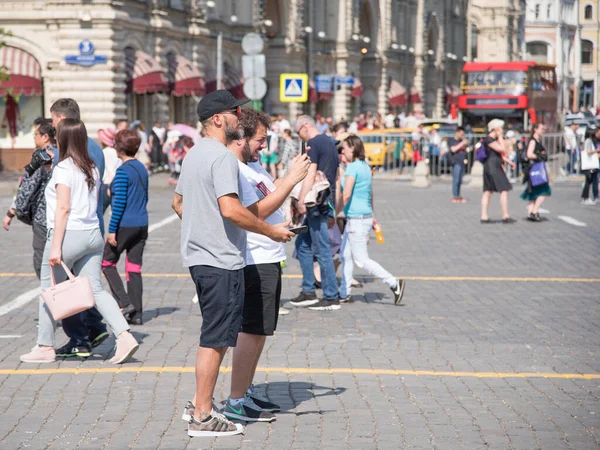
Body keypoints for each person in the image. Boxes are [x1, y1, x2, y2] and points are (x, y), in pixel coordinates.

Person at [171, 90, 294, 437]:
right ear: (218, 119)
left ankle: (200, 407)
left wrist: (202, 225)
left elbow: (178, 204)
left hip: (201, 256)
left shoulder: (194, 154)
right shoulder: (222, 158)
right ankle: (202, 416)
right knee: (216, 338)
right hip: (220, 259)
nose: (241, 117)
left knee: (216, 335)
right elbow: (231, 209)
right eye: (236, 112)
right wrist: (269, 230)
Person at [20, 119, 139, 364]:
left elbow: (63, 208)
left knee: (49, 288)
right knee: (95, 288)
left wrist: (55, 246)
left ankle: (44, 346)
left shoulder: (64, 168)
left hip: (68, 234)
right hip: (92, 233)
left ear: (62, 139)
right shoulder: (91, 167)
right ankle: (124, 335)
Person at [217, 108, 310, 423]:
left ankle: (244, 391)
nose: (264, 146)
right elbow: (252, 212)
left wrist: (285, 215)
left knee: (260, 331)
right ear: (241, 136)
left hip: (269, 254)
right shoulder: (236, 169)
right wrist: (289, 180)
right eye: (260, 140)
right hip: (253, 257)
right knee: (252, 330)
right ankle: (235, 400)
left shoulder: (252, 166)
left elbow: (268, 204)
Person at [45, 98, 109, 358]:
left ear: (61, 120)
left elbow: (64, 204)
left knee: (64, 285)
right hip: (94, 225)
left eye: (52, 120)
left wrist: (56, 243)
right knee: (86, 283)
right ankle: (95, 328)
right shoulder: (97, 149)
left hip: (72, 228)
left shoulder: (67, 151)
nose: (52, 126)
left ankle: (78, 338)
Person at [338, 135, 405, 305]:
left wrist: (333, 213)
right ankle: (344, 293)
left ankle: (393, 283)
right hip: (362, 216)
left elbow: (346, 195)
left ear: (352, 148)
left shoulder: (353, 168)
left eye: (344, 147)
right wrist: (373, 217)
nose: (342, 150)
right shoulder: (365, 167)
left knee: (361, 259)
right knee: (345, 255)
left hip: (357, 219)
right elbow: (370, 194)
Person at [291, 115, 340, 311]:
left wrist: (301, 200)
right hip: (326, 201)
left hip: (316, 203)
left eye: (298, 132)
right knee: (302, 243)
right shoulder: (329, 142)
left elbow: (311, 174)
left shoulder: (313, 143)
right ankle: (308, 290)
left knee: (321, 249)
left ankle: (330, 296)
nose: (299, 137)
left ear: (305, 126)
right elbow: (335, 178)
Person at [101, 129, 149, 325]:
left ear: (118, 148)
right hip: (142, 223)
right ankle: (136, 313)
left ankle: (124, 302)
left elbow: (118, 204)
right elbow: (145, 196)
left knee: (107, 262)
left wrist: (112, 230)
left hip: (125, 225)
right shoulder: (141, 168)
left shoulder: (121, 172)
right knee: (134, 267)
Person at [8, 118, 56, 279]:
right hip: (63, 217)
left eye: (35, 134)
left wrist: (14, 212)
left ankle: (51, 298)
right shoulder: (62, 152)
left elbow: (28, 186)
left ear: (45, 137)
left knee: (42, 262)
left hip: (43, 218)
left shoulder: (41, 155)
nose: (33, 137)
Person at [480, 119, 516, 224]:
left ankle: (484, 216)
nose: (502, 130)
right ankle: (505, 215)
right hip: (493, 167)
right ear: (495, 129)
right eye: (501, 128)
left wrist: (509, 162)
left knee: (488, 191)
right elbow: (502, 149)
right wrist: (500, 136)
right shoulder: (489, 140)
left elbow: (497, 154)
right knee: (503, 189)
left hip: (491, 165)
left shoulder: (490, 140)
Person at [521, 123, 551, 221]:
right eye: (542, 128)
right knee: (544, 191)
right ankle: (534, 211)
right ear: (535, 129)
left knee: (534, 191)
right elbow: (529, 154)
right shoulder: (533, 141)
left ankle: (531, 212)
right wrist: (539, 156)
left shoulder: (537, 140)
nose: (544, 130)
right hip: (535, 168)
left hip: (536, 168)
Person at [98, 128, 120, 213]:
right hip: (116, 183)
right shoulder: (116, 152)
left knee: (100, 211)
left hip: (107, 183)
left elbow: (111, 171)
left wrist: (109, 185)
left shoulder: (105, 152)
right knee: (115, 211)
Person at [448, 126, 469, 203]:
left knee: (460, 180)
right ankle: (455, 196)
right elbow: (453, 149)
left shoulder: (462, 140)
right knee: (456, 180)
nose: (462, 136)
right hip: (455, 162)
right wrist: (462, 143)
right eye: (461, 134)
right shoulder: (452, 140)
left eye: (463, 134)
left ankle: (458, 195)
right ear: (457, 132)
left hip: (462, 161)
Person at [580, 127, 600, 205]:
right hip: (589, 166)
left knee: (589, 180)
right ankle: (585, 198)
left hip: (590, 165)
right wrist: (596, 150)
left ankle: (584, 197)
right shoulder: (588, 141)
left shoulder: (589, 141)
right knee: (588, 181)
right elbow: (588, 151)